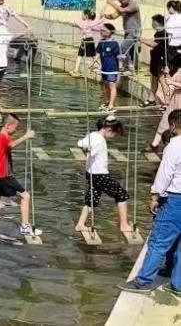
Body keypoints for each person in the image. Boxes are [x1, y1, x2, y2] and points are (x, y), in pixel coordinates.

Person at [118, 109, 181, 295]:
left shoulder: (175, 145)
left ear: (172, 125)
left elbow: (165, 174)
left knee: (159, 242)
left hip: (176, 199)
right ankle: (177, 284)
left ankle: (143, 282)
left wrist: (155, 195)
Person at [75, 116, 133, 238]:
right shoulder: (100, 140)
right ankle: (124, 225)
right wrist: (89, 150)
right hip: (100, 175)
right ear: (108, 130)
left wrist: (86, 148)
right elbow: (93, 151)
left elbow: (80, 143)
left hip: (90, 173)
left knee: (92, 198)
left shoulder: (93, 135)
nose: (115, 137)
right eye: (115, 134)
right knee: (122, 195)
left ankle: (80, 223)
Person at [104, 0, 142, 72]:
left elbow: (122, 10)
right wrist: (105, 15)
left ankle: (128, 66)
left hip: (134, 31)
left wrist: (111, 2)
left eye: (122, 1)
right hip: (127, 31)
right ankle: (136, 67)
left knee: (123, 47)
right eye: (120, 1)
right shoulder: (122, 6)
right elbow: (114, 16)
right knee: (131, 50)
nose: (121, 2)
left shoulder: (133, 5)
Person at [96, 23, 121, 111]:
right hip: (104, 69)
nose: (101, 32)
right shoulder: (101, 42)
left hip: (112, 69)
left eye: (103, 30)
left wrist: (122, 59)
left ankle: (111, 104)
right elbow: (98, 54)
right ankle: (107, 101)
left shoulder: (114, 43)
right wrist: (95, 65)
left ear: (110, 32)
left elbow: (118, 55)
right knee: (106, 85)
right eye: (101, 30)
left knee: (112, 86)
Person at [70, 9, 101, 77]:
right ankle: (101, 66)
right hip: (91, 39)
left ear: (86, 15)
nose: (81, 15)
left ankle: (76, 71)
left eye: (82, 14)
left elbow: (72, 23)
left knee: (80, 55)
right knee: (93, 55)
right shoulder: (92, 22)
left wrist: (76, 25)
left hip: (85, 40)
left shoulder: (81, 22)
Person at [147, 14, 169, 108]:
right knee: (153, 80)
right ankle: (151, 99)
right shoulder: (157, 33)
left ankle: (167, 102)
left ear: (156, 22)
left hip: (160, 61)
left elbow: (154, 44)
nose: (152, 24)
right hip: (154, 60)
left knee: (162, 81)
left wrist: (141, 39)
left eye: (153, 21)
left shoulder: (163, 33)